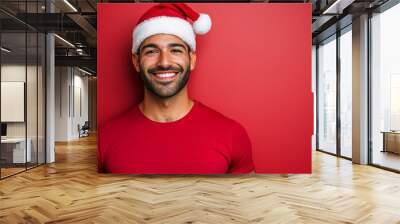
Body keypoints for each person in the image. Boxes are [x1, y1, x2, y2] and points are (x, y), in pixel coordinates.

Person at [100, 3, 254, 174]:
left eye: (176, 50)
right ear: (136, 61)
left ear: (192, 59)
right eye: (151, 51)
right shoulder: (105, 137)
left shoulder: (232, 134)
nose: (164, 62)